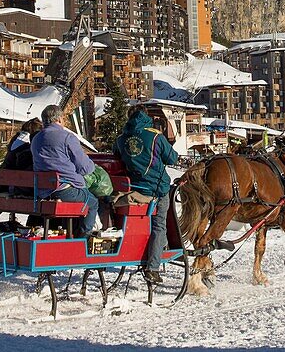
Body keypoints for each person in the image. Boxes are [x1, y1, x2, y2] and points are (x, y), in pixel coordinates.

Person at [114, 106, 179, 283]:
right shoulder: (155, 136)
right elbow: (172, 158)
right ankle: (153, 266)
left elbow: (116, 157)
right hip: (155, 189)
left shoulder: (121, 138)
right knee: (160, 226)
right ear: (146, 116)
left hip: (131, 188)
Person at [32, 104, 98, 238]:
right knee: (93, 202)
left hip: (43, 190)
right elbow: (84, 168)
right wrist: (92, 165)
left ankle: (70, 234)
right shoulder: (67, 137)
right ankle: (84, 238)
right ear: (60, 119)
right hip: (65, 188)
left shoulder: (36, 139)